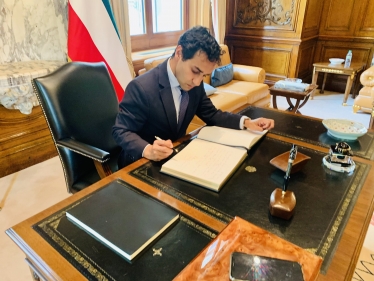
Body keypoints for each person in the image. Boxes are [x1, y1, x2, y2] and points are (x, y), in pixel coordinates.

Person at [113, 26, 274, 168]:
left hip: (175, 157)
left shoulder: (194, 85)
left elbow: (212, 114)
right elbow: (121, 130)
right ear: (179, 52)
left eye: (203, 75)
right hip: (140, 162)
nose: (198, 82)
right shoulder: (141, 87)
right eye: (196, 71)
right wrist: (147, 150)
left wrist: (247, 123)